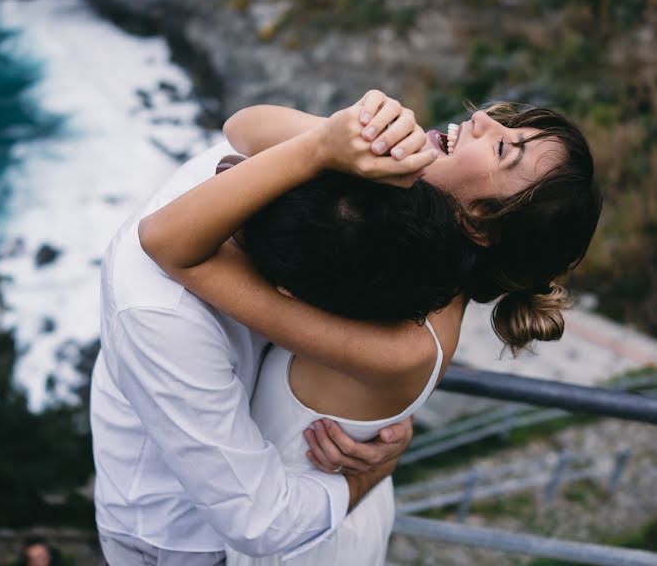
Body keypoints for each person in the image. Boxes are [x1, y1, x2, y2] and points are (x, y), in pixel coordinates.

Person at [138, 91, 602, 564]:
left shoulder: (404, 341)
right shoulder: (401, 236)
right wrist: (343, 135)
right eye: (510, 128)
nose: (483, 119)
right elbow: (242, 125)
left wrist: (371, 472)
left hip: (307, 538)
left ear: (483, 222)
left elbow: (167, 243)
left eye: (504, 150)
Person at [90, 96, 433, 565]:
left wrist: (379, 411)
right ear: (286, 294)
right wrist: (373, 472)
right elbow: (263, 521)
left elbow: (247, 125)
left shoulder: (308, 196)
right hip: (177, 539)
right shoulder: (160, 312)